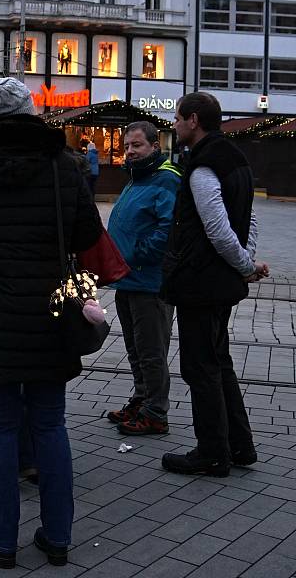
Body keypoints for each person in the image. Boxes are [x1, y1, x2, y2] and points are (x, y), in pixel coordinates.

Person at [0, 77, 101, 568]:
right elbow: (86, 233)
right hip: (49, 310)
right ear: (33, 110)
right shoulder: (63, 164)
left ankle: (2, 539)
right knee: (51, 424)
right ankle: (57, 536)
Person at [161, 92, 268, 476]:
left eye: (177, 118)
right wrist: (246, 262)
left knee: (200, 367)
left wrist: (243, 264)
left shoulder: (204, 165)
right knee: (218, 361)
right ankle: (240, 446)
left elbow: (218, 229)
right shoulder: (236, 158)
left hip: (201, 282)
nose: (173, 125)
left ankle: (213, 453)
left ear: (193, 120)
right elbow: (249, 219)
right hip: (219, 281)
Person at [106, 121, 181, 436]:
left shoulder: (167, 180)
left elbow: (168, 231)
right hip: (127, 279)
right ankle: (141, 398)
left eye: (136, 145)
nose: (130, 152)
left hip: (150, 282)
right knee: (136, 348)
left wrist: (136, 255)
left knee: (151, 351)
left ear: (154, 145)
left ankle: (156, 413)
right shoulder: (137, 178)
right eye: (126, 146)